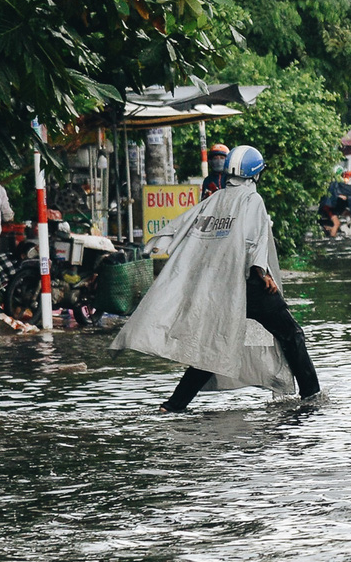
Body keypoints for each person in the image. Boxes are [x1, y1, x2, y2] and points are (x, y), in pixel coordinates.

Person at [115, 145, 322, 412]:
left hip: (220, 286)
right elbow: (251, 241)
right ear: (255, 174)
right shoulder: (252, 199)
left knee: (212, 345)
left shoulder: (217, 199)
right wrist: (262, 272)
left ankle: (174, 405)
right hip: (249, 285)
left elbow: (187, 228)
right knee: (292, 334)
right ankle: (311, 396)